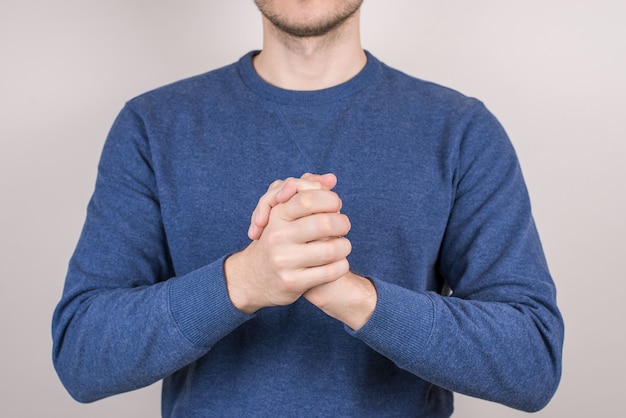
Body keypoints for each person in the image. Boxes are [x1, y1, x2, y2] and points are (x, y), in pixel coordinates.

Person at [52, 1, 564, 416]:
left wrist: (350, 295)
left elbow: (532, 363)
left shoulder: (461, 130)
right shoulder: (152, 125)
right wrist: (243, 282)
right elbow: (81, 355)